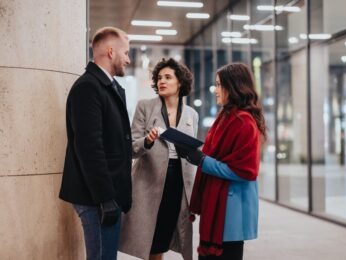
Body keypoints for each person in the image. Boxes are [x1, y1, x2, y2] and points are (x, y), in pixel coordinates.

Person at [176, 63, 267, 260]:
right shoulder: (226, 117)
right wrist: (197, 154)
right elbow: (219, 155)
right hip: (218, 205)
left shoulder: (243, 122)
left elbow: (245, 170)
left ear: (233, 86)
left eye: (219, 85)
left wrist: (202, 160)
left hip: (231, 209)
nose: (215, 90)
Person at [59, 27, 133, 260]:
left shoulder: (109, 86)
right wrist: (105, 198)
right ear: (111, 52)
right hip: (97, 198)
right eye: (126, 53)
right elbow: (89, 147)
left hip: (107, 195)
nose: (128, 60)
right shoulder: (88, 87)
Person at [119, 58, 199, 260]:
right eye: (159, 78)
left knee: (164, 235)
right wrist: (147, 141)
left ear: (180, 82)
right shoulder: (145, 107)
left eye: (168, 77)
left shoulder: (191, 114)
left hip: (179, 184)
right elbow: (131, 148)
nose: (161, 81)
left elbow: (190, 153)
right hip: (150, 183)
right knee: (151, 240)